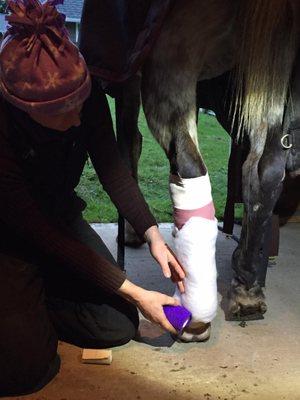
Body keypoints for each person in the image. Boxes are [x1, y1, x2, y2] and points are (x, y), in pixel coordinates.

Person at [0, 0, 185, 396]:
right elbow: (36, 232)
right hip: (11, 235)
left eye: (79, 104)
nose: (78, 118)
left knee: (117, 325)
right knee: (24, 371)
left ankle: (40, 295)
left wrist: (153, 234)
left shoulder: (83, 97)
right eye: (63, 113)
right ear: (24, 107)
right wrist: (135, 291)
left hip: (57, 215)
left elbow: (113, 170)